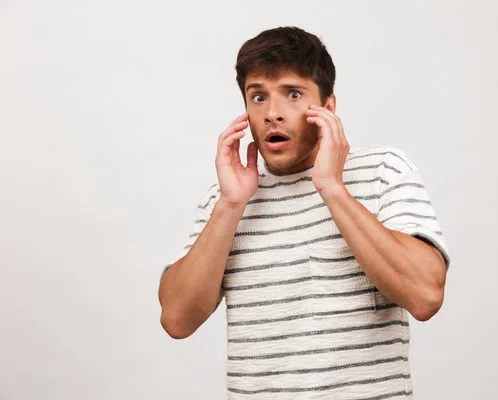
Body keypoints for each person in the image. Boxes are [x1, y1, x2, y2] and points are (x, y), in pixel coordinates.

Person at [158, 26, 450, 399]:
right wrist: (230, 206)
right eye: (258, 97)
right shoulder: (228, 197)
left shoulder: (382, 170)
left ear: (327, 108)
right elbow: (177, 320)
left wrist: (332, 188)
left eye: (293, 94)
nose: (273, 114)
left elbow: (425, 296)